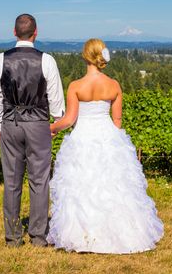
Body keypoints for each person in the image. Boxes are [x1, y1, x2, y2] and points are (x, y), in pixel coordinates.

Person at [47, 38, 164, 254]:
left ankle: (83, 233)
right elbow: (117, 120)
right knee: (113, 185)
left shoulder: (76, 86)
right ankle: (123, 231)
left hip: (83, 136)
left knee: (82, 183)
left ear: (85, 56)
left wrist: (51, 128)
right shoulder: (114, 85)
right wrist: (114, 142)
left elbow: (70, 119)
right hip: (108, 135)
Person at [0, 14, 65, 247]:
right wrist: (55, 122)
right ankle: (38, 236)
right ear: (36, 32)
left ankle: (13, 237)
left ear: (14, 32)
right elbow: (56, 100)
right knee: (39, 180)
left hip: (11, 123)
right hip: (38, 124)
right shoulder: (48, 60)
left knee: (11, 181)